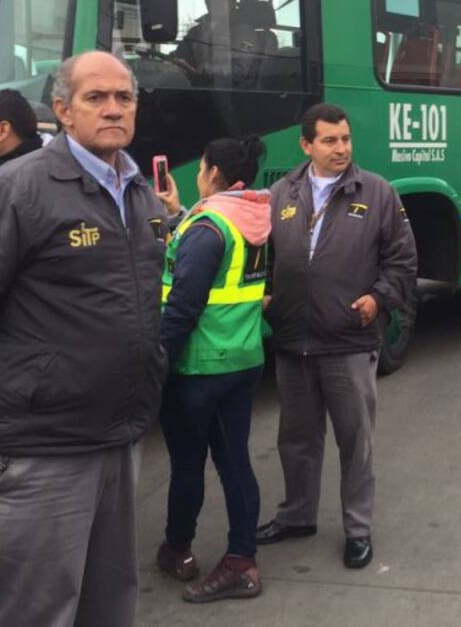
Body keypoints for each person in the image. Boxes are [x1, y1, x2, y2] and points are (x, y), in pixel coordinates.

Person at [0, 51, 168, 627]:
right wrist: (14, 389)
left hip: (120, 434)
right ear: (63, 109)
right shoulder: (16, 189)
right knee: (30, 610)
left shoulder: (138, 191)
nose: (113, 109)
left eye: (124, 98)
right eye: (96, 98)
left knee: (109, 603)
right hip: (40, 447)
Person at [256, 104, 416, 570]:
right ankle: (297, 515)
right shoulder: (281, 193)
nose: (341, 148)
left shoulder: (378, 192)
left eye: (345, 138)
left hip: (349, 341)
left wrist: (378, 300)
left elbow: (403, 260)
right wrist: (266, 296)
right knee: (296, 440)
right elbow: (261, 255)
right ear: (306, 145)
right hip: (293, 341)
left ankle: (358, 529)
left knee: (355, 444)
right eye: (329, 140)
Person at [154, 136, 272, 604]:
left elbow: (183, 308)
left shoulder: (208, 228)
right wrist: (178, 213)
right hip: (242, 357)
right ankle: (240, 557)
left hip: (199, 366)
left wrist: (157, 362)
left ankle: (181, 550)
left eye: (202, 168)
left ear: (214, 173)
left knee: (188, 464)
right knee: (234, 461)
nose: (199, 174)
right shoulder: (252, 216)